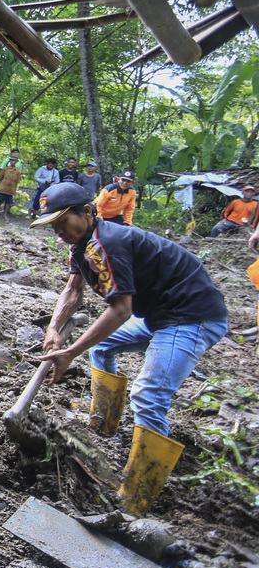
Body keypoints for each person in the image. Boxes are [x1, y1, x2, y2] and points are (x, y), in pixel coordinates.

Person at [33, 182, 227, 515]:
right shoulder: (81, 244)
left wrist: (69, 352)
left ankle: (136, 498)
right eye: (53, 225)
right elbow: (72, 290)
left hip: (191, 317)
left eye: (63, 222)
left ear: (88, 212)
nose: (59, 231)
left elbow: (120, 310)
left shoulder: (110, 241)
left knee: (149, 396)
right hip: (159, 314)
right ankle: (104, 423)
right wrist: (54, 330)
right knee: (102, 349)